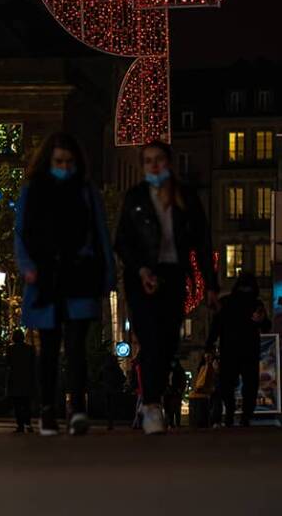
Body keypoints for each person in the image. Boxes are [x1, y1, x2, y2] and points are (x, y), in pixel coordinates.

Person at [115, 139, 218, 435]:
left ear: (169, 162)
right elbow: (122, 240)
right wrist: (141, 268)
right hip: (141, 277)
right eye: (148, 161)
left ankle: (154, 398)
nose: (154, 165)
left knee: (169, 339)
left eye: (159, 159)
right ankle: (150, 404)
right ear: (143, 166)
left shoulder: (185, 196)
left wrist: (210, 285)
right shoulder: (136, 196)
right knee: (149, 338)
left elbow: (201, 240)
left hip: (173, 275)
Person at [15, 132, 115, 436]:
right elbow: (21, 232)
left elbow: (100, 234)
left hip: (78, 274)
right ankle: (47, 410)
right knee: (48, 348)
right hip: (46, 276)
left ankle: (77, 410)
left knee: (75, 347)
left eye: (69, 162)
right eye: (59, 161)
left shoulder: (85, 192)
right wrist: (28, 267)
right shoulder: (33, 191)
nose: (65, 167)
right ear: (49, 161)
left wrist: (107, 275)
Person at [205, 271, 270, 427]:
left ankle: (231, 413)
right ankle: (245, 416)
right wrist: (261, 321)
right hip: (248, 350)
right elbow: (266, 326)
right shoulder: (255, 303)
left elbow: (216, 327)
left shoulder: (227, 303)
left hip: (231, 349)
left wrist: (209, 345)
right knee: (249, 385)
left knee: (228, 383)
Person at [5, 330, 36, 433]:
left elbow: (7, 364)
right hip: (27, 379)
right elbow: (33, 364)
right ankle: (28, 423)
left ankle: (20, 425)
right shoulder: (30, 349)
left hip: (15, 379)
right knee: (26, 404)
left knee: (17, 404)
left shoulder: (10, 349)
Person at [164, 357, 189, 429]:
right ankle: (171, 423)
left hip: (176, 392)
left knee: (176, 409)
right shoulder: (170, 370)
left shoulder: (179, 370)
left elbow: (183, 381)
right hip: (170, 392)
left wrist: (180, 390)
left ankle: (177, 423)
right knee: (171, 409)